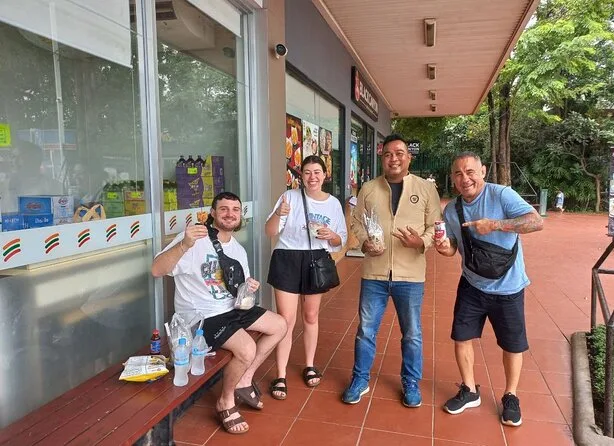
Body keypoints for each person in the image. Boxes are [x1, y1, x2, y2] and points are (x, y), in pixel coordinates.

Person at [152, 192, 287, 435]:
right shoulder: (194, 240)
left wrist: (249, 287)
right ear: (213, 213)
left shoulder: (237, 249)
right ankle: (226, 401)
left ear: (240, 216)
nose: (230, 214)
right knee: (246, 349)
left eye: (235, 210)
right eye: (224, 209)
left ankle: (244, 379)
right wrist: (184, 244)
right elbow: (156, 270)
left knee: (280, 325)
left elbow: (239, 290)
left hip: (231, 308)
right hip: (201, 316)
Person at [434, 152, 543, 427]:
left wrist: (496, 224)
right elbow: (453, 248)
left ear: (482, 171)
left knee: (512, 344)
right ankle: (470, 390)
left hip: (509, 287)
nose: (465, 178)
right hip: (472, 284)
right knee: (462, 337)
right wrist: (444, 248)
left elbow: (536, 221)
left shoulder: (501, 195)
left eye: (470, 171)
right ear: (453, 179)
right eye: (458, 174)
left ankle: (511, 395)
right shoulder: (452, 210)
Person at [342, 134, 441, 408]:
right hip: (374, 274)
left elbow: (435, 226)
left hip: (410, 276)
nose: (393, 158)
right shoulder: (369, 188)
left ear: (409, 157)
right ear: (382, 158)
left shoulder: (425, 188)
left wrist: (421, 242)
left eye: (399, 153)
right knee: (365, 330)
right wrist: (364, 242)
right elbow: (357, 221)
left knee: (412, 333)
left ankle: (411, 381)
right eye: (387, 154)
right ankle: (360, 379)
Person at [265, 155, 347, 400]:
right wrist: (278, 213)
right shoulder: (289, 197)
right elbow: (270, 231)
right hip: (287, 258)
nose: (312, 177)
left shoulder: (333, 203)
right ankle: (281, 374)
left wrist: (331, 235)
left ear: (325, 175)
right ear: (301, 175)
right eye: (307, 172)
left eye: (317, 172)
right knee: (286, 320)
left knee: (311, 316)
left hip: (315, 259)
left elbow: (340, 240)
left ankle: (310, 365)